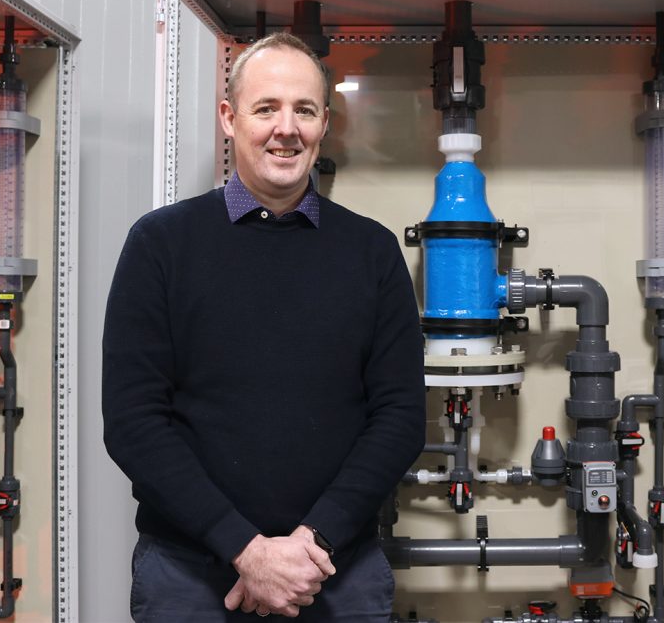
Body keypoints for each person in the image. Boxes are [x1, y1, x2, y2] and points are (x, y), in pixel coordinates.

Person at [103, 32, 426, 621]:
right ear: (229, 118)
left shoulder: (372, 252)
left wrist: (311, 543)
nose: (286, 128)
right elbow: (133, 422)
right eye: (266, 108)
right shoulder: (160, 245)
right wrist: (245, 550)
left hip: (335, 570)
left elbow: (400, 418)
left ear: (324, 123)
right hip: (189, 574)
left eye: (304, 109)